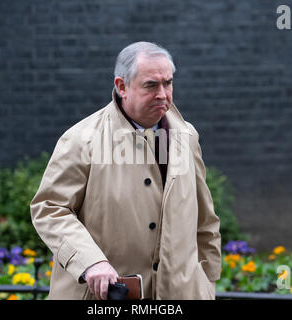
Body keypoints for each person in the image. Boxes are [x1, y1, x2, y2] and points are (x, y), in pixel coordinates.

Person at [30, 41, 221, 300]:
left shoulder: (187, 136)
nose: (163, 94)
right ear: (121, 87)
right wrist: (90, 262)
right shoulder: (81, 140)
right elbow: (49, 208)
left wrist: (207, 282)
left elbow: (204, 219)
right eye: (151, 85)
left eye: (168, 83)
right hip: (106, 297)